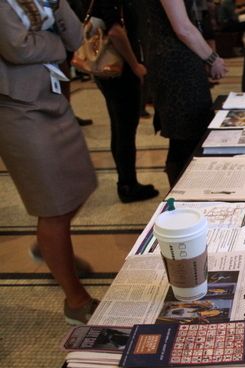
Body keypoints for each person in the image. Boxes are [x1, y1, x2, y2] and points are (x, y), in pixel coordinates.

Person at [0, 0, 99, 324]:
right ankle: (75, 300)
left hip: (53, 96)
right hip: (17, 107)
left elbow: (75, 39)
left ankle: (49, 245)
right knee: (53, 206)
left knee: (82, 183)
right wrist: (55, 45)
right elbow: (18, 48)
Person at [135, 0, 228, 186]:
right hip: (176, 64)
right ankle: (181, 197)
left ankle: (182, 195)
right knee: (187, 135)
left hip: (172, 59)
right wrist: (212, 58)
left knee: (186, 135)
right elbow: (182, 27)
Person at [92, 0, 159, 202]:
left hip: (109, 70)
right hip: (119, 70)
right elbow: (115, 31)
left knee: (120, 128)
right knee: (125, 129)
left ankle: (126, 181)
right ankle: (128, 185)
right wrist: (135, 64)